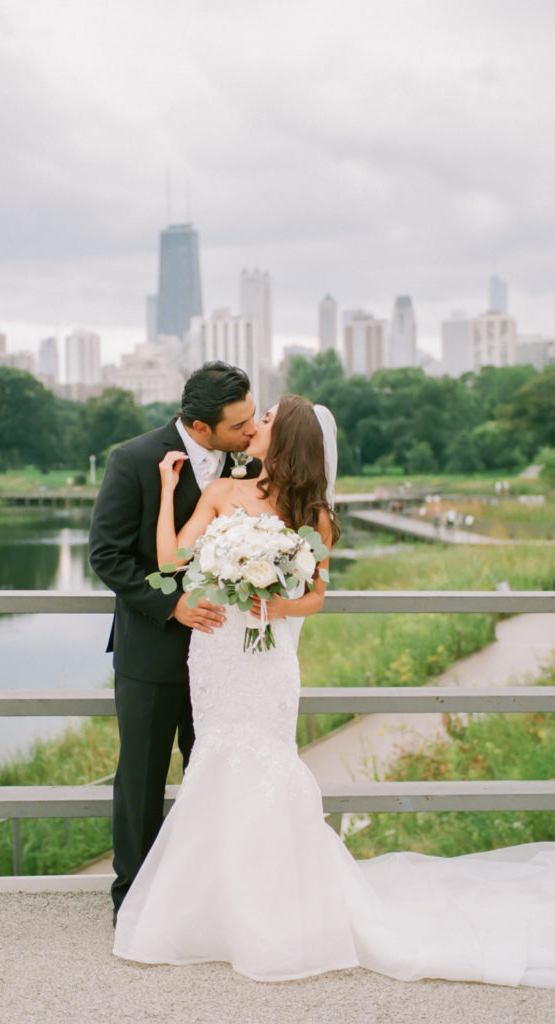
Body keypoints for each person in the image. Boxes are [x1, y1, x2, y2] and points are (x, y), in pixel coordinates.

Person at [113, 394, 555, 988]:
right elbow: (170, 560)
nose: (255, 427)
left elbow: (316, 597)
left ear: (287, 437)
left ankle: (276, 906)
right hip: (216, 651)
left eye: (265, 420)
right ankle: (213, 909)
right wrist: (169, 490)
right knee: (213, 762)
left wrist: (273, 600)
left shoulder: (313, 515)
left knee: (266, 763)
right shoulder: (220, 493)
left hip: (267, 662)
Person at [88, 362, 259, 923]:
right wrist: (172, 604)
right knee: (141, 777)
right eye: (239, 424)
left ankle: (209, 896)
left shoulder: (252, 462)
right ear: (202, 428)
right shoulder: (134, 459)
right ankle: (134, 902)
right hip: (152, 651)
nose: (251, 431)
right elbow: (107, 555)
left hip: (225, 654)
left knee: (211, 771)